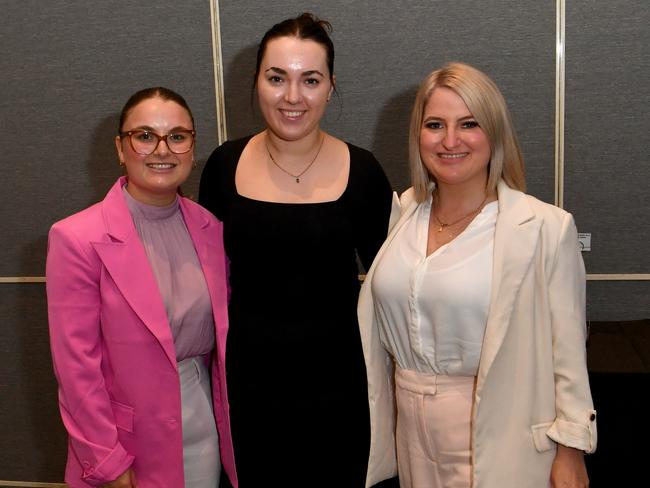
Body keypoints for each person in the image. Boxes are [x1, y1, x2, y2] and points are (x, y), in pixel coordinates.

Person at [358, 62, 597, 488]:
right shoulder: (406, 210)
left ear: (494, 134)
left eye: (468, 124)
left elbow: (569, 353)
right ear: (418, 135)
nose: (450, 141)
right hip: (411, 434)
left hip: (500, 429)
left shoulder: (545, 227)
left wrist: (572, 448)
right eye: (435, 125)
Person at [198, 13, 393, 487]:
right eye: (276, 78)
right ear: (257, 82)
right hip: (247, 392)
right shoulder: (223, 166)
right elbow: (202, 283)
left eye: (310, 80)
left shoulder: (364, 172)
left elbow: (396, 288)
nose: (292, 97)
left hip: (341, 391)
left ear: (330, 87)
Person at [46, 87, 237, 488]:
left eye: (178, 136)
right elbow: (76, 368)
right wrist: (107, 460)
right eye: (145, 136)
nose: (162, 149)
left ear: (192, 146)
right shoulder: (76, 238)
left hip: (204, 428)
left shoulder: (211, 228)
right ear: (120, 147)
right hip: (125, 444)